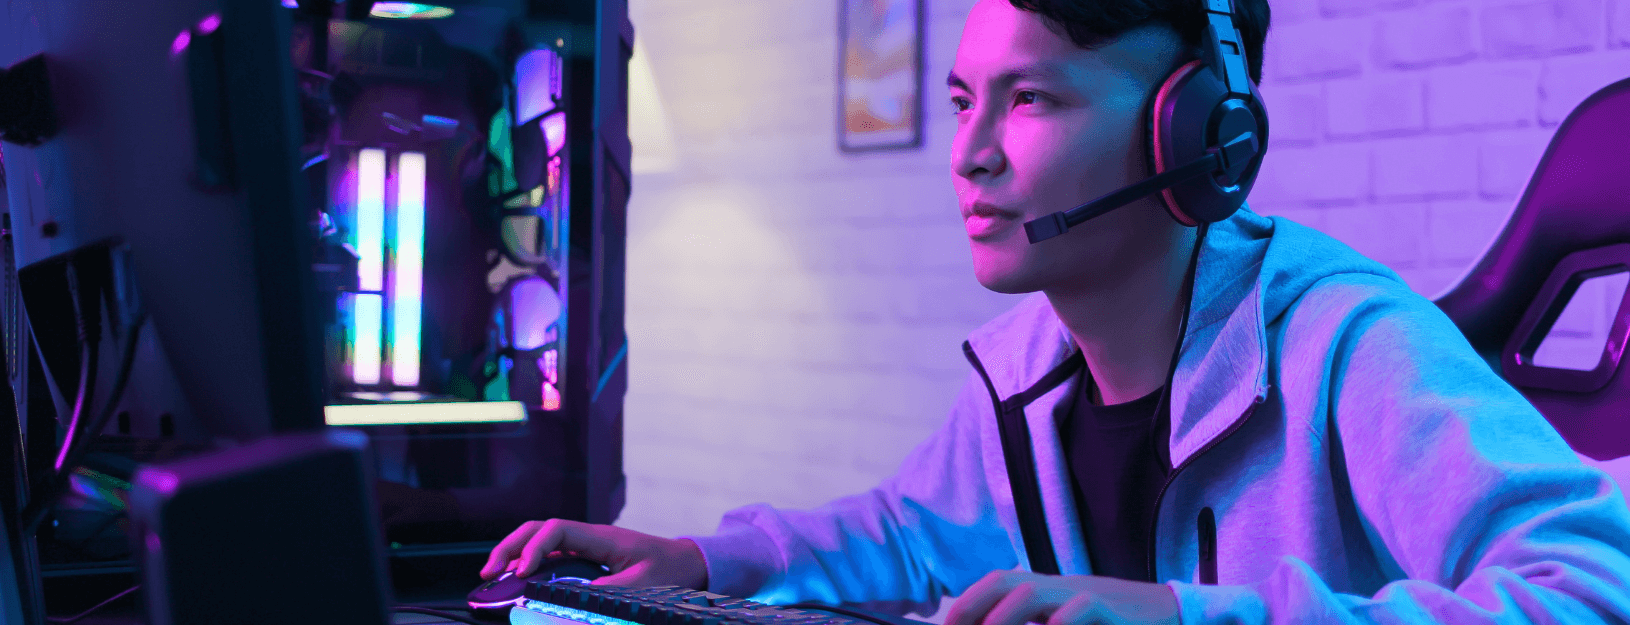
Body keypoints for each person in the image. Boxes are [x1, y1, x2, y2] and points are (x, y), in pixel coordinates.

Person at [481, 0, 1630, 623]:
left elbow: (1592, 583)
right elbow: (902, 531)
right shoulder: (1028, 368)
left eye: (1029, 99)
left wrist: (1181, 617)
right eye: (962, 100)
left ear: (1198, 133)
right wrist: (694, 558)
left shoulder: (1345, 343)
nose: (969, 156)